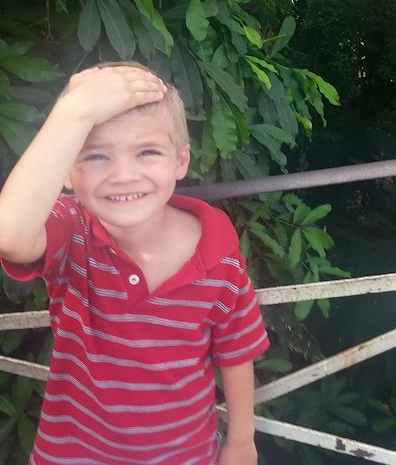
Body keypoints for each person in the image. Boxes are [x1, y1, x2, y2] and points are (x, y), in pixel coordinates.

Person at [0, 62, 269, 464]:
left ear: (180, 160)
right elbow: (9, 235)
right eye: (95, 156)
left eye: (147, 152)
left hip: (185, 456)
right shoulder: (71, 231)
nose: (123, 175)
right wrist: (74, 112)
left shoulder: (218, 256)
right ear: (67, 171)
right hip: (73, 455)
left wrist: (242, 442)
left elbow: (236, 352)